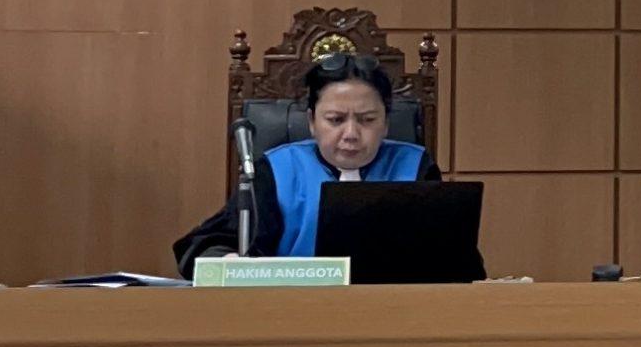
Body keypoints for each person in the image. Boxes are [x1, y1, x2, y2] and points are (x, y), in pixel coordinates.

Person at [175, 54, 481, 277]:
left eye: (367, 120)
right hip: (291, 318)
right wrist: (228, 263)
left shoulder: (415, 167)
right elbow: (205, 247)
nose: (351, 134)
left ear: (386, 123)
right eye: (335, 120)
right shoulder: (277, 171)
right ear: (311, 122)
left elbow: (456, 261)